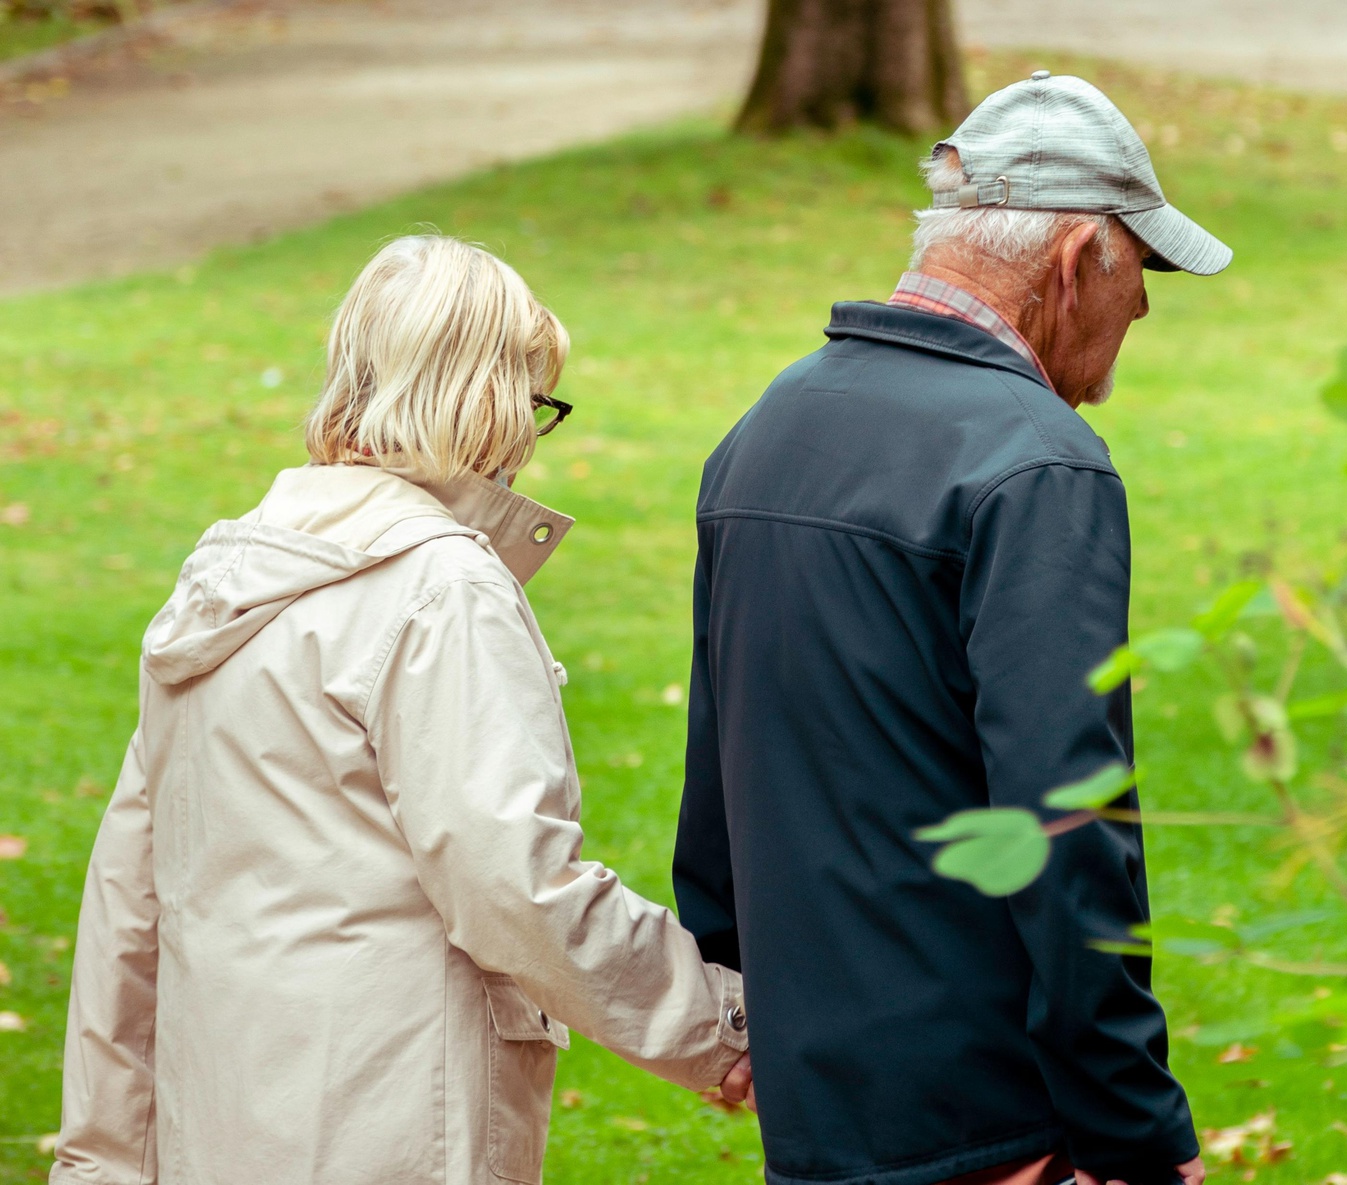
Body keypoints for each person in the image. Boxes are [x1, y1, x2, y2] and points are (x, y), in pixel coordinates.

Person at [52, 235, 752, 1185]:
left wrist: (102, 1156)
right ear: (489, 399)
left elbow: (128, 898)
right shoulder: (442, 586)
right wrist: (722, 1026)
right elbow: (517, 884)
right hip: (392, 1113)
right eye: (536, 405)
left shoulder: (224, 580)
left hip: (221, 1108)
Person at [673, 73, 1230, 1185]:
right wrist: (1131, 1127)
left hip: (822, 1111)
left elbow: (717, 793)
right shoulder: (1036, 462)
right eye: (1143, 270)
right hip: (992, 1117)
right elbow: (1067, 821)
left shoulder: (767, 427)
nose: (1147, 309)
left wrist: (752, 1010)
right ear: (1078, 261)